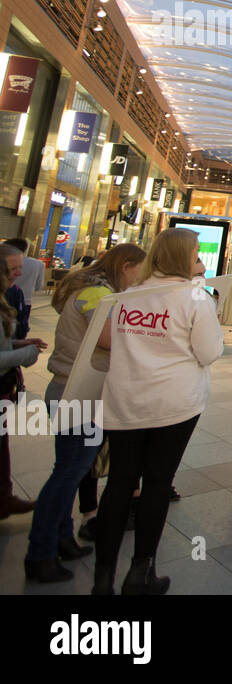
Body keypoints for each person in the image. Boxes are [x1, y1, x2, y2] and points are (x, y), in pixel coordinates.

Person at [93, 227, 224, 594]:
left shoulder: (130, 295)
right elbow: (210, 352)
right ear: (183, 256)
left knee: (119, 484)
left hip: (124, 400)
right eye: (196, 251)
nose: (200, 256)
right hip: (172, 405)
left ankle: (102, 578)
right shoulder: (195, 297)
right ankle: (140, 572)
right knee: (156, 483)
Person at [24, 244, 144, 582]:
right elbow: (107, 338)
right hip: (78, 393)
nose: (140, 277)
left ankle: (62, 538)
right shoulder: (97, 293)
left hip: (77, 391)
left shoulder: (92, 288)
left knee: (70, 471)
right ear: (126, 266)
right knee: (66, 474)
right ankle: (40, 553)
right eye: (139, 270)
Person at [0, 256, 45, 523]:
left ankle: (4, 498)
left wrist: (18, 343)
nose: (19, 273)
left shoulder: (8, 297)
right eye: (12, 269)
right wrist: (27, 353)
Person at [5, 237, 46, 304]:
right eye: (13, 269)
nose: (19, 273)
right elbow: (39, 286)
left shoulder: (5, 260)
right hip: (25, 300)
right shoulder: (38, 264)